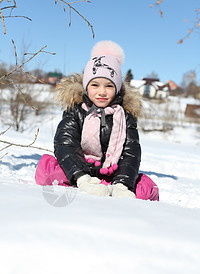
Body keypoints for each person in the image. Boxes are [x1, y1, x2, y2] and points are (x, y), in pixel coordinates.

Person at [35, 40, 159, 200]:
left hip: (111, 175)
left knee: (146, 189)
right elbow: (66, 145)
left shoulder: (125, 117)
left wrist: (122, 183)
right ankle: (81, 182)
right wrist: (82, 177)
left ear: (117, 89)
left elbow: (131, 154)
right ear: (86, 87)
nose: (102, 92)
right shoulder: (76, 111)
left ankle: (111, 187)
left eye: (109, 86)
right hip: (78, 170)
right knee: (49, 171)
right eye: (95, 85)